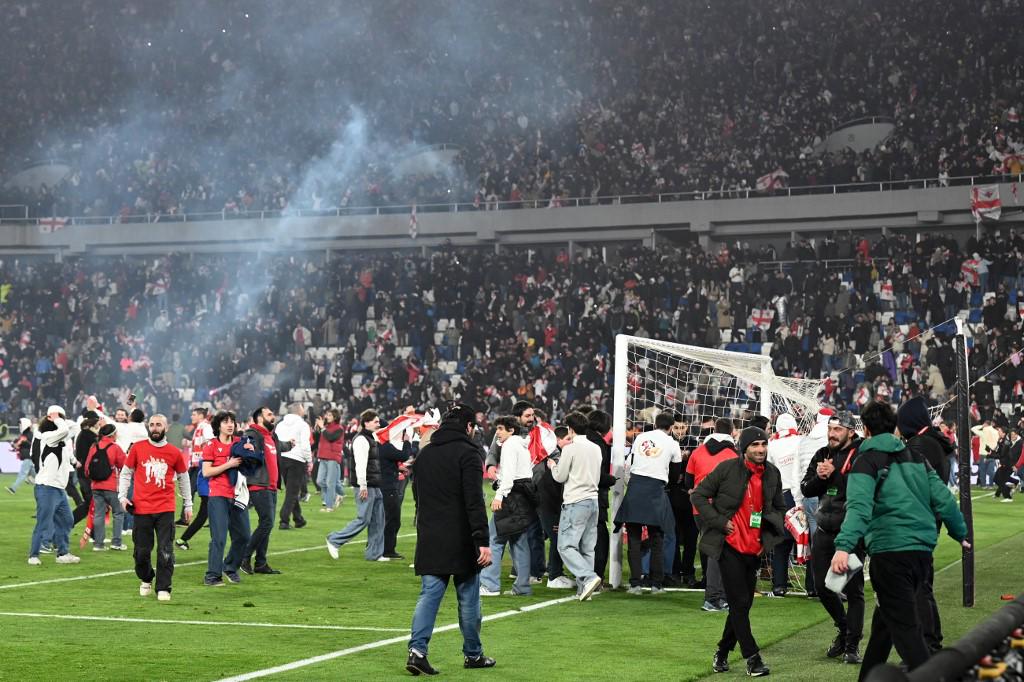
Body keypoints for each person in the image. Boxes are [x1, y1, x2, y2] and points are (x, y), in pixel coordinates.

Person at [830, 401, 969, 680]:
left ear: (865, 429)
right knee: (884, 626)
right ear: (894, 427)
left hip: (890, 552)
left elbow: (858, 508)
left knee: (907, 633)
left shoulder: (865, 461)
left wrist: (843, 547)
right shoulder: (916, 458)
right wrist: (960, 533)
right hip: (921, 554)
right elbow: (943, 498)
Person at [406, 404, 495, 676]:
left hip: (431, 535)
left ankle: (417, 651)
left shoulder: (425, 454)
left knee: (429, 595)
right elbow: (474, 500)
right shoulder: (469, 453)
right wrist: (482, 539)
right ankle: (473, 654)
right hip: (461, 537)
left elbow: (418, 497)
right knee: (468, 599)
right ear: (469, 427)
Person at [692, 426, 788, 677]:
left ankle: (722, 653)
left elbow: (779, 507)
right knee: (740, 602)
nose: (760, 449)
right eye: (755, 445)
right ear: (744, 448)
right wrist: (719, 522)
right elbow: (699, 496)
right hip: (729, 547)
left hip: (754, 549)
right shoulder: (726, 469)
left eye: (763, 444)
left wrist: (767, 538)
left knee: (741, 606)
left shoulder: (773, 474)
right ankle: (752, 658)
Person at [799, 411, 864, 664]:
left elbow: (861, 489)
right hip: (824, 531)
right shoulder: (822, 454)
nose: (832, 434)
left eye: (838, 429)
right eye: (830, 429)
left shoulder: (861, 454)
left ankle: (852, 645)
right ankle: (844, 628)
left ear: (850, 431)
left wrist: (835, 474)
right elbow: (806, 488)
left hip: (851, 532)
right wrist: (820, 477)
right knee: (823, 587)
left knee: (853, 590)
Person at [897, 396, 953, 653]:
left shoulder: (920, 445)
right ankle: (929, 642)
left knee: (917, 588)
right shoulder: (932, 442)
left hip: (916, 524)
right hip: (926, 521)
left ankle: (928, 645)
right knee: (920, 586)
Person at [118, 413, 192, 602]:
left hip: (166, 508)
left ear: (166, 428)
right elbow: (126, 473)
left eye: (159, 424)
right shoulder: (137, 448)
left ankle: (163, 587)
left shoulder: (174, 452)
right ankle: (146, 578)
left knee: (165, 550)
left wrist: (188, 504)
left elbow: (184, 478)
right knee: (141, 552)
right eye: (152, 425)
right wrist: (122, 496)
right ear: (148, 427)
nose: (155, 428)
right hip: (141, 509)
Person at [615, 411, 681, 595]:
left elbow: (632, 461)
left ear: (655, 423)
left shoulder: (641, 438)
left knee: (634, 539)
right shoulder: (673, 444)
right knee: (657, 539)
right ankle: (656, 584)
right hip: (655, 491)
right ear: (671, 426)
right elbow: (676, 474)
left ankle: (635, 584)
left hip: (635, 488)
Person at [548, 411, 604, 601]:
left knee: (565, 546)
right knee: (588, 548)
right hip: (593, 501)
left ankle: (588, 578)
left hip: (575, 501)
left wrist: (552, 466)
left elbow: (560, 476)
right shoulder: (596, 448)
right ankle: (584, 590)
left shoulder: (570, 449)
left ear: (570, 429)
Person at [684, 417, 738, 611]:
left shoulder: (697, 452)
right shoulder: (733, 455)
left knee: (716, 551)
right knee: (720, 552)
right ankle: (714, 598)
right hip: (721, 509)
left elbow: (688, 483)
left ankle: (719, 596)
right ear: (732, 432)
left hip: (699, 510)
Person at [479, 416, 536, 596]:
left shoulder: (510, 445)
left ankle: (490, 585)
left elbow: (509, 476)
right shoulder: (521, 445)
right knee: (519, 542)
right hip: (523, 497)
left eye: (501, 428)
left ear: (511, 430)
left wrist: (499, 496)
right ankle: (522, 587)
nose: (497, 432)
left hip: (510, 497)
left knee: (494, 540)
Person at [326, 409, 386, 562]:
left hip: (375, 485)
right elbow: (360, 465)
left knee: (378, 520)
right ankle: (334, 540)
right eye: (376, 421)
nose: (379, 424)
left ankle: (374, 554)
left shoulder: (371, 437)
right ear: (366, 423)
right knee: (363, 519)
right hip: (365, 485)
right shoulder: (361, 440)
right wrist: (363, 486)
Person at [240, 407, 291, 575]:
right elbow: (247, 449)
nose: (273, 416)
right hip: (259, 484)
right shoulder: (253, 434)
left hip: (271, 486)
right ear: (259, 418)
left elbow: (278, 447)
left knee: (267, 525)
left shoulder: (271, 436)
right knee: (267, 522)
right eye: (269, 414)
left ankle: (261, 563)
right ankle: (244, 557)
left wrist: (290, 444)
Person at [202, 411, 251, 587]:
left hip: (238, 496)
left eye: (232, 421)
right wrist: (228, 464)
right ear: (218, 426)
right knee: (219, 537)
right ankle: (212, 576)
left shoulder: (240, 443)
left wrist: (251, 454)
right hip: (218, 495)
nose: (230, 425)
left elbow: (251, 462)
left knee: (244, 536)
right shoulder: (211, 446)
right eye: (225, 422)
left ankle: (230, 567)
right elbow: (207, 472)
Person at [27, 413, 80, 565]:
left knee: (68, 520)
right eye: (59, 421)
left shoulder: (60, 440)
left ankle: (62, 554)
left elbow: (73, 428)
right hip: (47, 488)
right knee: (43, 523)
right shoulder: (48, 436)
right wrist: (56, 418)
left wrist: (58, 417)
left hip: (58, 489)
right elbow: (64, 430)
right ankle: (33, 555)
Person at [766, 412, 804, 597]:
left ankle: (779, 586)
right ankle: (813, 587)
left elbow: (767, 471)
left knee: (781, 543)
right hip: (802, 494)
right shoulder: (802, 441)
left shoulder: (772, 444)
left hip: (780, 496)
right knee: (807, 541)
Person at [535, 426, 572, 589]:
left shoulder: (559, 456)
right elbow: (551, 489)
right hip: (549, 505)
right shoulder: (555, 459)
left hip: (546, 504)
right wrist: (557, 515)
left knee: (537, 536)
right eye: (568, 439)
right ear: (558, 440)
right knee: (558, 538)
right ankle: (554, 576)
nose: (571, 442)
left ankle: (535, 571)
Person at [86, 423, 128, 552]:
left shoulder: (94, 446)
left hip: (96, 486)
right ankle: (116, 542)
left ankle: (98, 544)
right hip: (112, 486)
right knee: (118, 513)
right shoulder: (115, 448)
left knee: (99, 514)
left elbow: (87, 468)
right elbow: (125, 465)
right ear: (113, 434)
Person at [276, 403, 311, 530]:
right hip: (297, 459)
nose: (304, 411)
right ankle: (284, 520)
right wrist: (309, 460)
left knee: (291, 490)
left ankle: (298, 519)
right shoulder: (303, 425)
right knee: (292, 492)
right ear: (298, 411)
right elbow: (306, 445)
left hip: (281, 458)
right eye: (302, 409)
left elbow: (276, 442)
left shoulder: (279, 425)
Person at [180, 407, 212, 526]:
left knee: (201, 492)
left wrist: (206, 459)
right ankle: (185, 518)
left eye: (194, 414)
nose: (191, 417)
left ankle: (186, 519)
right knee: (189, 489)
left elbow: (210, 442)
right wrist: (188, 444)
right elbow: (199, 443)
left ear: (200, 416)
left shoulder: (206, 427)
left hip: (201, 464)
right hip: (195, 464)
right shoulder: (199, 427)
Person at [315, 408, 346, 512]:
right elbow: (317, 436)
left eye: (329, 415)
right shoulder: (326, 427)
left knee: (330, 483)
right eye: (326, 415)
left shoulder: (339, 429)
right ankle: (340, 494)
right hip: (323, 456)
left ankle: (329, 507)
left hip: (333, 457)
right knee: (320, 481)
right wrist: (318, 427)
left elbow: (330, 437)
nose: (326, 417)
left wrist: (322, 428)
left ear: (335, 417)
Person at [7, 417, 35, 494]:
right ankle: (47, 486)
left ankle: (13, 489)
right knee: (37, 476)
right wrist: (12, 443)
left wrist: (24, 442)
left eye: (20, 424)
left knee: (22, 474)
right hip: (28, 458)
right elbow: (17, 444)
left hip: (28, 458)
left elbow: (32, 445)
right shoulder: (23, 435)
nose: (19, 426)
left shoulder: (30, 435)